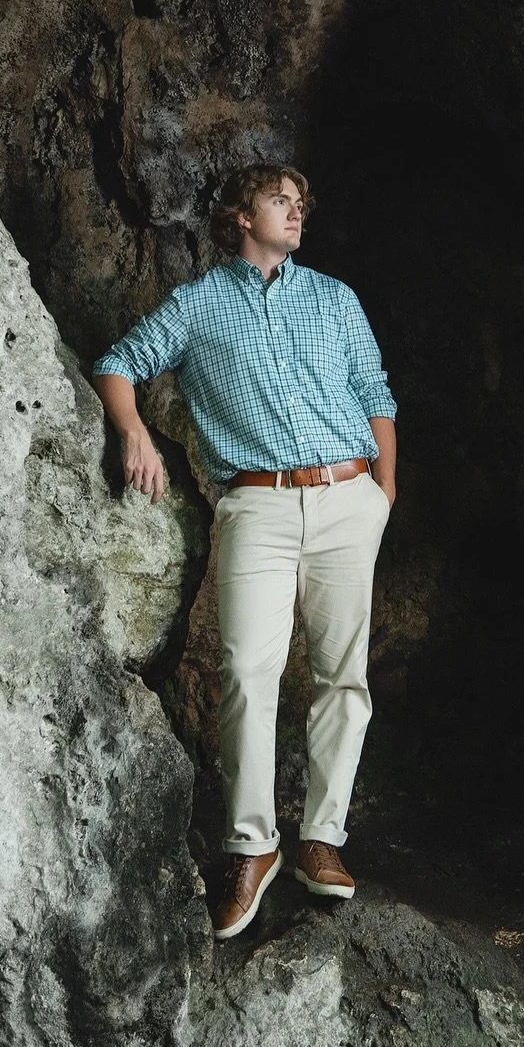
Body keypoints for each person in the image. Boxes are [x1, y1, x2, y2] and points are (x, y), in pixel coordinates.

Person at [91, 163, 397, 940]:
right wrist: (133, 432)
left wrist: (382, 496)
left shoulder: (335, 298)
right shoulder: (196, 308)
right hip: (256, 503)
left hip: (346, 498)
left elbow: (378, 396)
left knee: (341, 673)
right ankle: (253, 847)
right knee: (246, 672)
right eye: (279, 200)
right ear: (238, 214)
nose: (296, 212)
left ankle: (321, 840)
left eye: (302, 202)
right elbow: (117, 363)